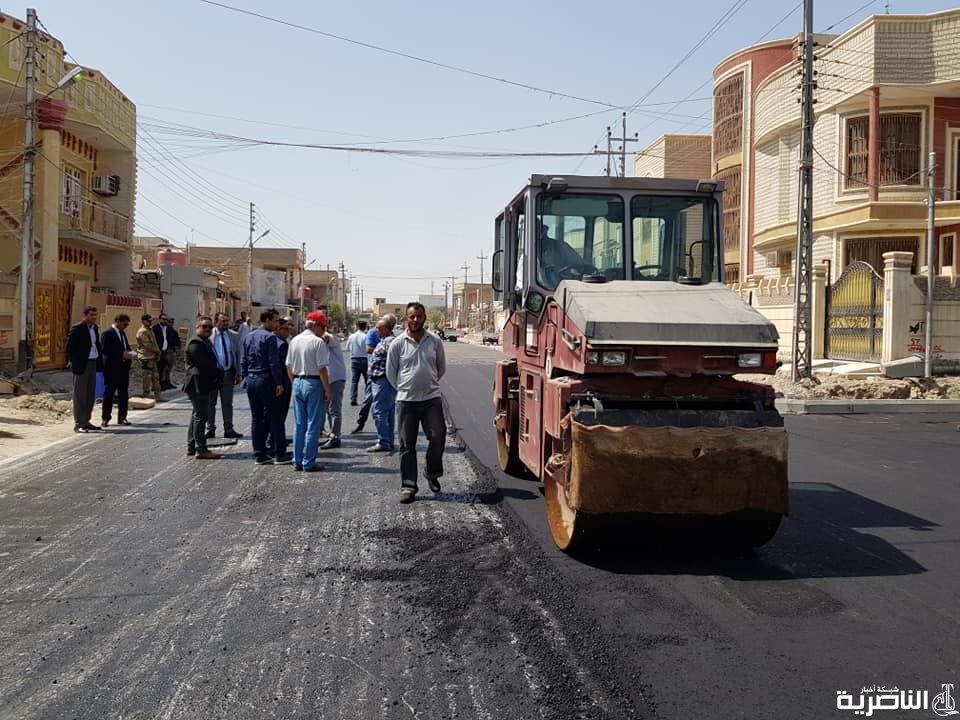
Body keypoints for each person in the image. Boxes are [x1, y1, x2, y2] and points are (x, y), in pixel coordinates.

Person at [387, 302, 447, 503]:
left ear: (425, 318)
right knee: (406, 444)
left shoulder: (435, 341)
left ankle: (432, 472)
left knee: (438, 437)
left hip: (431, 398)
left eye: (419, 316)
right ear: (406, 318)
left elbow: (441, 368)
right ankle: (408, 486)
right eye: (412, 317)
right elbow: (391, 372)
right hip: (407, 401)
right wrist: (405, 388)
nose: (415, 320)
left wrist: (427, 383)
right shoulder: (397, 343)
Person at [286, 311, 331, 472]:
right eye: (323, 327)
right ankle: (309, 462)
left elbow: (289, 367)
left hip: (298, 381)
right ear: (315, 325)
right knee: (313, 424)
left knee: (299, 424)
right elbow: (322, 369)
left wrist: (295, 383)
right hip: (313, 382)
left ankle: (297, 460)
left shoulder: (294, 340)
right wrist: (328, 391)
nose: (324, 331)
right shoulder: (317, 342)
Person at [240, 308, 287, 465]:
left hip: (251, 380)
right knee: (276, 416)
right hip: (265, 380)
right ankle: (279, 453)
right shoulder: (270, 338)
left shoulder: (249, 337)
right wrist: (279, 383)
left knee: (257, 418)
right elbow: (273, 363)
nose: (277, 324)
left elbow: (243, 360)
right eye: (275, 320)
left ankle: (259, 454)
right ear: (266, 320)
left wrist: (245, 376)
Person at [182, 316, 224, 460]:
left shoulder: (205, 341)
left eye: (210, 327)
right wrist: (220, 373)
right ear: (197, 327)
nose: (207, 329)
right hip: (197, 384)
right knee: (201, 416)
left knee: (196, 415)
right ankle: (201, 449)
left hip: (203, 383)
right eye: (204, 326)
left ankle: (191, 446)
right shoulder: (195, 342)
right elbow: (204, 365)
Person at [65, 305, 103, 433]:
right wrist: (74, 361)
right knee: (80, 395)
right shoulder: (78, 328)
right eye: (91, 315)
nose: (94, 317)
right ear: (85, 315)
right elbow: (70, 347)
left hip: (93, 362)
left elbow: (96, 344)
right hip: (82, 365)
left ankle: (86, 421)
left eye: (95, 315)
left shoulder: (95, 328)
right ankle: (78, 423)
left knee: (90, 394)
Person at [207, 312, 243, 440]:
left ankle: (229, 428)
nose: (226, 323)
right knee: (210, 403)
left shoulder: (233, 336)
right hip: (213, 374)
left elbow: (238, 354)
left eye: (227, 321)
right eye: (223, 321)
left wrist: (239, 372)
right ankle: (210, 428)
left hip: (228, 373)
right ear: (216, 321)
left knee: (227, 403)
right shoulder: (209, 335)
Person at [366, 314, 398, 453]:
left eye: (378, 328)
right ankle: (388, 439)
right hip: (381, 381)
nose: (376, 330)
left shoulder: (389, 342)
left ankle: (384, 441)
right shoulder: (384, 340)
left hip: (383, 381)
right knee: (388, 412)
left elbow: (395, 361)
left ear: (385, 329)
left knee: (379, 412)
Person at [100, 313, 137, 427]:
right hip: (111, 369)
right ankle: (106, 418)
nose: (125, 326)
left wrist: (130, 353)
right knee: (109, 394)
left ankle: (122, 417)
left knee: (123, 394)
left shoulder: (122, 334)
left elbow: (125, 347)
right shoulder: (107, 334)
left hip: (123, 369)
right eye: (124, 324)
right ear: (118, 321)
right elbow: (105, 350)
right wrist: (121, 355)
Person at [350, 318, 383, 434]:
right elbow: (368, 348)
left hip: (383, 371)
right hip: (371, 368)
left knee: (355, 381)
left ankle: (385, 430)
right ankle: (361, 422)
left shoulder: (390, 336)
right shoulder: (371, 333)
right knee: (368, 395)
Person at [267, 316, 293, 462]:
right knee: (279, 415)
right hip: (282, 382)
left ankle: (274, 443)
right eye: (286, 328)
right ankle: (277, 446)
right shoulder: (281, 344)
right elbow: (284, 366)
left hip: (274, 383)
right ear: (278, 329)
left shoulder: (276, 342)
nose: (289, 331)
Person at [319, 313, 347, 450]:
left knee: (334, 410)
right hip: (326, 379)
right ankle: (331, 435)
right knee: (327, 410)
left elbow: (325, 338)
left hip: (335, 378)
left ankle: (336, 437)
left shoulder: (330, 338)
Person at [136, 313, 162, 401]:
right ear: (143, 321)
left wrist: (157, 353)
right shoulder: (142, 331)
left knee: (155, 377)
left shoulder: (150, 330)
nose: (150, 322)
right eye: (148, 321)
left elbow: (154, 342)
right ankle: (146, 395)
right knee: (147, 377)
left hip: (152, 356)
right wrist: (157, 351)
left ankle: (157, 395)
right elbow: (148, 344)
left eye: (151, 321)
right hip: (146, 357)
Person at [153, 314, 181, 390]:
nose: (165, 321)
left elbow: (174, 339)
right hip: (159, 351)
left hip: (167, 351)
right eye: (163, 319)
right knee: (159, 369)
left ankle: (166, 383)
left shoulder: (169, 329)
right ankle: (158, 385)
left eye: (166, 319)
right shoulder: (155, 329)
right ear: (159, 319)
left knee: (167, 368)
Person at [346, 320, 369, 406]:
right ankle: (367, 398)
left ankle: (353, 398)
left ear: (357, 326)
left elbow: (347, 347)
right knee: (367, 380)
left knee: (354, 380)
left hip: (354, 359)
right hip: (365, 359)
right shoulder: (366, 336)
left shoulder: (352, 336)